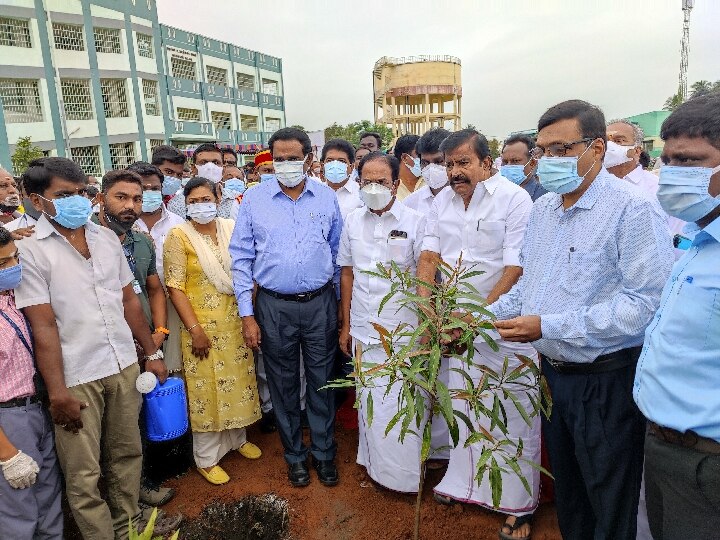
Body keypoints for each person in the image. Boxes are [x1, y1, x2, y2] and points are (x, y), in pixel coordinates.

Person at [487, 100, 673, 540]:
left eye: (561, 149)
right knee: (570, 491)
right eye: (543, 150)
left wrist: (548, 326)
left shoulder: (632, 210)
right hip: (553, 378)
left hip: (605, 382)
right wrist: (479, 318)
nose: (549, 160)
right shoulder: (546, 210)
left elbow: (645, 305)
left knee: (610, 497)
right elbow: (528, 289)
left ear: (597, 148)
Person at [15, 157, 180, 539]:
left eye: (80, 193)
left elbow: (128, 302)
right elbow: (43, 327)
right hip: (76, 376)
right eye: (64, 195)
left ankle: (130, 527)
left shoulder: (105, 239)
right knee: (84, 473)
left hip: (122, 363)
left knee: (127, 454)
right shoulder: (31, 252)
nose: (76, 201)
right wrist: (57, 392)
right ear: (38, 201)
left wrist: (151, 353)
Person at [416, 129, 539, 538]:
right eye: (449, 164)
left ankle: (518, 504)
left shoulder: (515, 199)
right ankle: (463, 484)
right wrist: (427, 310)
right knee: (464, 404)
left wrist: (479, 317)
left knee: (509, 410)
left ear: (487, 164)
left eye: (463, 162)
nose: (454, 172)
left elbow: (515, 268)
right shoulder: (440, 202)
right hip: (453, 326)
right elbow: (429, 255)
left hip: (503, 324)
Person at [230, 127, 342, 488]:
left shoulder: (326, 198)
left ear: (309, 158)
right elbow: (241, 258)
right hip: (274, 307)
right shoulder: (253, 200)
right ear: (270, 159)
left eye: (293, 158)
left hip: (320, 303)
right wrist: (247, 314)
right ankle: (294, 455)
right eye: (279, 159)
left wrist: (341, 308)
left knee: (323, 381)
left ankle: (324, 453)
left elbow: (339, 255)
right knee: (282, 383)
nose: (286, 165)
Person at [633, 93, 720, 539]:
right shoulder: (696, 236)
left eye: (690, 160)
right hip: (663, 445)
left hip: (708, 463)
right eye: (667, 160)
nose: (672, 174)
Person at [337, 152, 426, 492]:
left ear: (396, 184)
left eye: (381, 182)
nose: (373, 188)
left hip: (402, 331)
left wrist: (424, 329)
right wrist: (345, 325)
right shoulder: (352, 221)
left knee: (400, 403)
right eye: (367, 182)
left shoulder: (415, 221)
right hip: (363, 327)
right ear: (358, 183)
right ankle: (375, 467)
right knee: (371, 400)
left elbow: (425, 278)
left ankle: (404, 478)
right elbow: (347, 273)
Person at [164, 177, 262, 486]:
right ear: (185, 203)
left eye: (206, 198)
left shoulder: (231, 228)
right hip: (201, 327)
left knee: (237, 381)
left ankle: (236, 439)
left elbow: (247, 271)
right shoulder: (178, 236)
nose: (200, 205)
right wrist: (195, 329)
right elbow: (174, 287)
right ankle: (206, 458)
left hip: (235, 322)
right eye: (193, 201)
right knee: (207, 389)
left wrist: (250, 314)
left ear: (219, 197)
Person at [94, 169, 178, 508]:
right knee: (114, 429)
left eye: (137, 199)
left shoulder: (141, 240)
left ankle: (140, 487)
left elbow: (154, 288)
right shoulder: (87, 239)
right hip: (106, 349)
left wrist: (158, 334)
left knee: (139, 419)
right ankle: (120, 502)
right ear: (101, 198)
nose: (131, 206)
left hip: (144, 343)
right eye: (122, 197)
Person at [0, 225, 63, 539]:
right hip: (7, 421)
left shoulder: (12, 298)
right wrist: (7, 453)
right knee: (18, 512)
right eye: (2, 264)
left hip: (34, 410)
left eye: (15, 258)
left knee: (48, 501)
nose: (13, 268)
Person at [168, 144, 224, 218]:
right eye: (204, 162)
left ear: (223, 168)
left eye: (216, 162)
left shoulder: (236, 199)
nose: (210, 167)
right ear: (194, 168)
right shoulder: (177, 204)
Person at [404, 128, 451, 216]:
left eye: (438, 161)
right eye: (425, 163)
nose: (431, 168)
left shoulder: (467, 199)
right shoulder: (410, 204)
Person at [320, 138, 363, 219]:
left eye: (341, 161)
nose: (335, 165)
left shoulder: (361, 194)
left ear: (351, 166)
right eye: (330, 160)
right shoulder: (314, 193)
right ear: (322, 165)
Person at [500, 134, 548, 202]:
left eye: (515, 161)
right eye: (505, 161)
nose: (508, 166)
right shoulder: (498, 194)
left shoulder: (544, 197)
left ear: (532, 163)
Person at [393, 134, 424, 200]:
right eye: (419, 155)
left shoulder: (430, 181)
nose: (423, 158)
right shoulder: (389, 185)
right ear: (405, 158)